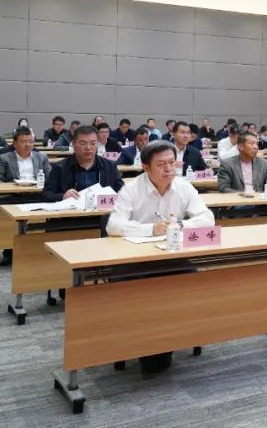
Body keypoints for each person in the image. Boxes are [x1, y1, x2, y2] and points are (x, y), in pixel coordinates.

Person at [106, 139, 216, 373]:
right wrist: (151, 229)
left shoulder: (184, 187)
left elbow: (207, 219)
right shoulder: (131, 189)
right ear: (145, 167)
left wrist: (180, 225)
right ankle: (141, 341)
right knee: (139, 298)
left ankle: (176, 335)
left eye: (172, 163)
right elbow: (113, 226)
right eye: (161, 164)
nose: (168, 169)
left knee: (194, 286)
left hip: (172, 257)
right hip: (133, 260)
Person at [0, 127, 52, 266]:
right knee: (10, 224)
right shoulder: (4, 158)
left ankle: (36, 251)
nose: (28, 145)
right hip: (13, 196)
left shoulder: (41, 157)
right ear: (14, 143)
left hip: (37, 196)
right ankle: (9, 252)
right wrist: (13, 186)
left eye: (30, 141)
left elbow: (51, 178)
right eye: (23, 142)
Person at [42, 125, 124, 202]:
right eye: (83, 143)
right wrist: (63, 196)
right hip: (72, 211)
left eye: (93, 143)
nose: (88, 147)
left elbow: (123, 192)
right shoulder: (60, 167)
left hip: (101, 211)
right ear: (73, 144)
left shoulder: (109, 166)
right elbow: (46, 195)